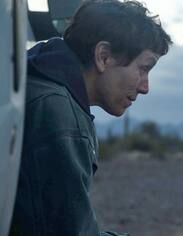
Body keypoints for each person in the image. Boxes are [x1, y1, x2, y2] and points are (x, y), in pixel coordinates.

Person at [10, 0, 172, 235]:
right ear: (104, 56)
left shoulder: (36, 83)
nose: (145, 87)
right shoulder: (57, 115)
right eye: (144, 68)